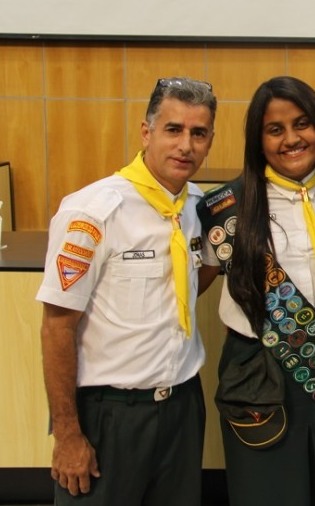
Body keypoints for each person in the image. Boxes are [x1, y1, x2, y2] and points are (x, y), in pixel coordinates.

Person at [37, 77, 217, 504]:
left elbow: (196, 277)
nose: (185, 146)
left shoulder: (200, 207)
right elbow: (57, 327)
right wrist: (67, 434)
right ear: (146, 132)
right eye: (173, 129)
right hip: (110, 413)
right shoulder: (93, 212)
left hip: (181, 407)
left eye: (198, 133)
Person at [197, 76, 315, 506]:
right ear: (259, 139)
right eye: (275, 129)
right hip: (258, 373)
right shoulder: (227, 207)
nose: (292, 139)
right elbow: (196, 280)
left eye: (302, 124)